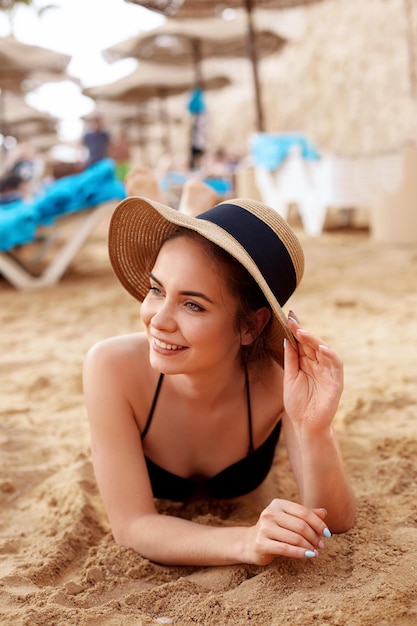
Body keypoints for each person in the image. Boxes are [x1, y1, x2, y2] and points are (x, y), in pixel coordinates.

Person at [83, 196, 356, 567]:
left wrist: (316, 430)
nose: (158, 320)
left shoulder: (281, 381)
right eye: (156, 289)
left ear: (251, 325)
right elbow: (132, 526)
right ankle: (190, 201)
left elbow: (335, 522)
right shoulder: (111, 367)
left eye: (192, 304)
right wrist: (245, 541)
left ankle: (195, 202)